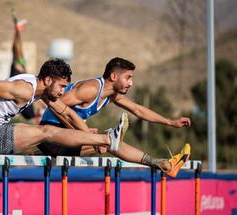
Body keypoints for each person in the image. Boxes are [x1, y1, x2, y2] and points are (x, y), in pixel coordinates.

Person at [0, 58, 129, 167]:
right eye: (61, 86)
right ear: (48, 80)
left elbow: (66, 113)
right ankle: (107, 138)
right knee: (46, 132)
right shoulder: (25, 89)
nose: (62, 91)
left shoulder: (41, 91)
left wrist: (87, 134)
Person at [37, 57, 191, 177]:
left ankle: (164, 164)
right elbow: (56, 106)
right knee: (110, 141)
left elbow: (138, 110)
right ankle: (163, 164)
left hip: (68, 138)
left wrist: (170, 122)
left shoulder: (111, 95)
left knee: (112, 142)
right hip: (52, 137)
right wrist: (81, 132)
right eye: (128, 77)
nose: (131, 83)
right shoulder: (90, 89)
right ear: (114, 76)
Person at [9, 10, 45, 122]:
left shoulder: (30, 113)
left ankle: (17, 29)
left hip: (18, 76)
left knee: (17, 51)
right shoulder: (32, 112)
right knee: (17, 51)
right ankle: (17, 29)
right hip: (21, 75)